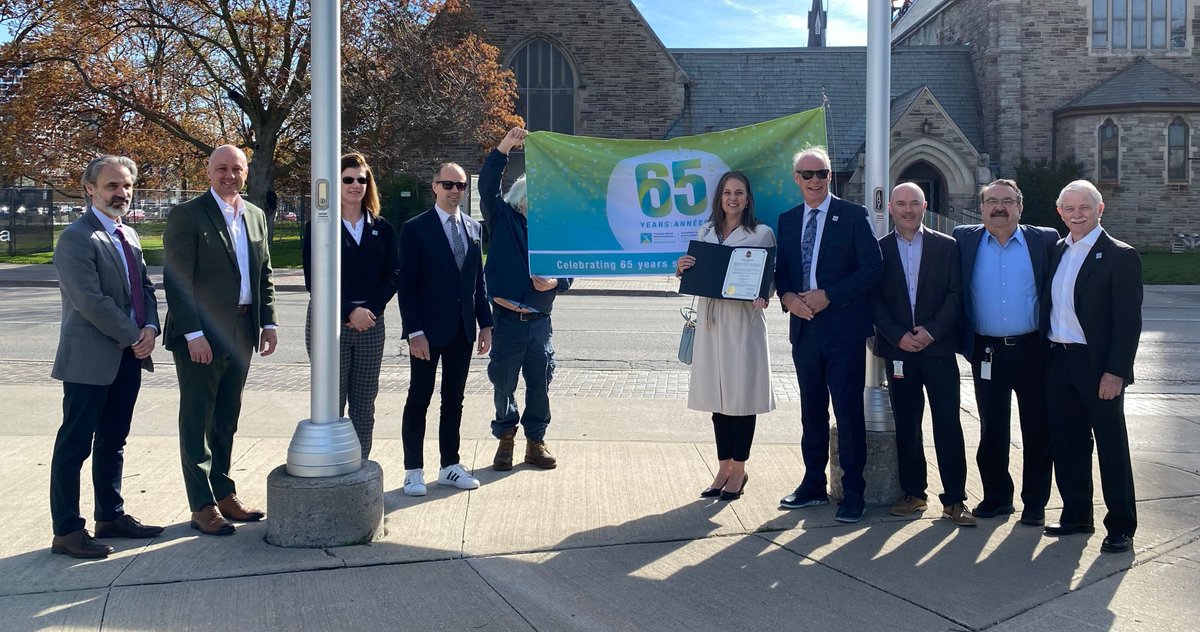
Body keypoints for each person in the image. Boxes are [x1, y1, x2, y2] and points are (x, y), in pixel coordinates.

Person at [49, 155, 164, 558]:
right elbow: (89, 301)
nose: (122, 193)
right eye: (113, 186)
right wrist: (134, 334)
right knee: (75, 444)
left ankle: (110, 515)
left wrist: (151, 328)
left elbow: (145, 289)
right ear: (90, 189)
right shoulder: (76, 238)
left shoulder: (128, 235)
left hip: (130, 356)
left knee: (113, 441)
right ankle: (66, 530)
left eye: (127, 186)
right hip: (89, 360)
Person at [163, 144, 278, 536]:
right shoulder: (188, 215)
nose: (229, 175)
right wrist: (193, 333)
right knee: (198, 418)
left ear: (246, 173)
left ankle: (224, 492)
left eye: (237, 169)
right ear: (209, 172)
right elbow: (177, 280)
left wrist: (269, 323)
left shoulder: (256, 216)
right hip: (200, 334)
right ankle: (202, 504)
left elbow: (264, 273)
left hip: (243, 330)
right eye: (221, 169)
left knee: (227, 416)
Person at [775, 147, 883, 523]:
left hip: (843, 330)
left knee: (848, 413)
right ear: (797, 180)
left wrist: (829, 296)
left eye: (821, 173)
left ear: (830, 176)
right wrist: (788, 297)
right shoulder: (787, 221)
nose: (815, 180)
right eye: (807, 175)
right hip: (804, 330)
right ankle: (812, 484)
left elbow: (872, 269)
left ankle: (853, 491)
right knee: (811, 412)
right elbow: (782, 271)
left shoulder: (853, 216)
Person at [1042, 180, 1141, 553]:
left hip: (1097, 365)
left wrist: (1116, 372)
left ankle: (1120, 526)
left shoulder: (1120, 255)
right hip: (1058, 359)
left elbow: (1128, 322)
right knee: (1067, 443)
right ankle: (1076, 515)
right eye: (1069, 209)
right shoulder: (1056, 251)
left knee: (1110, 445)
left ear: (1100, 210)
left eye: (1084, 208)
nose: (1076, 215)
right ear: (1060, 213)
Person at [952, 179, 1058, 527]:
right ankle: (997, 497)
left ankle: (1035, 503)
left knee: (1037, 429)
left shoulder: (1043, 239)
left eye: (1008, 201)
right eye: (991, 201)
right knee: (992, 427)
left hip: (1033, 350)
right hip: (987, 352)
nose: (999, 207)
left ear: (1020, 207)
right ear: (980, 207)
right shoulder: (963, 239)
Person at [871, 183, 973, 526]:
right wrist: (898, 335)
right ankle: (914, 493)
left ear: (924, 205)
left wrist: (931, 331)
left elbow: (956, 294)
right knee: (907, 424)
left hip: (939, 349)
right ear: (891, 208)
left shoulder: (947, 246)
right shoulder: (879, 249)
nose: (908, 210)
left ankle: (955, 499)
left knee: (947, 423)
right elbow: (874, 300)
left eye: (915, 203)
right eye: (901, 204)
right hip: (899, 352)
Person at [676, 171, 776, 501]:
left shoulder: (761, 234)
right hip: (710, 322)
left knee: (740, 398)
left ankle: (739, 470)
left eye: (739, 193)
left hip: (742, 324)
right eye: (727, 193)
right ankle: (723, 466)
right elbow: (696, 275)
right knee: (717, 400)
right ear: (719, 198)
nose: (733, 198)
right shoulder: (705, 231)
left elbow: (770, 277)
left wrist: (765, 294)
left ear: (748, 199)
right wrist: (683, 268)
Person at [479, 128, 572, 471]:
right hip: (506, 322)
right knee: (503, 384)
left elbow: (569, 271)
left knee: (540, 384)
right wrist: (504, 147)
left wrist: (555, 284)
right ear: (521, 197)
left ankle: (536, 441)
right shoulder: (503, 218)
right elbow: (487, 186)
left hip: (539, 324)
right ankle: (505, 438)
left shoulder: (553, 230)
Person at [397, 162, 493, 496]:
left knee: (454, 399)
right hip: (426, 332)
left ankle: (450, 465)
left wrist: (487, 324)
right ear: (435, 186)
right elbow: (406, 287)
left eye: (461, 186)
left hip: (462, 331)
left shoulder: (473, 228)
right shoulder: (415, 229)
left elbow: (477, 283)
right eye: (448, 185)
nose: (454, 191)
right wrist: (414, 332)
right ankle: (413, 470)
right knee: (419, 398)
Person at [301, 152, 399, 459]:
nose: (356, 185)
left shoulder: (382, 228)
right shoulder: (320, 225)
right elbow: (314, 279)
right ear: (336, 183)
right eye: (348, 179)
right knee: (330, 402)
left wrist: (369, 311)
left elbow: (394, 274)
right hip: (329, 325)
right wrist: (347, 312)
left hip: (371, 324)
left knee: (364, 403)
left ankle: (359, 465)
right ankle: (331, 465)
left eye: (362, 179)